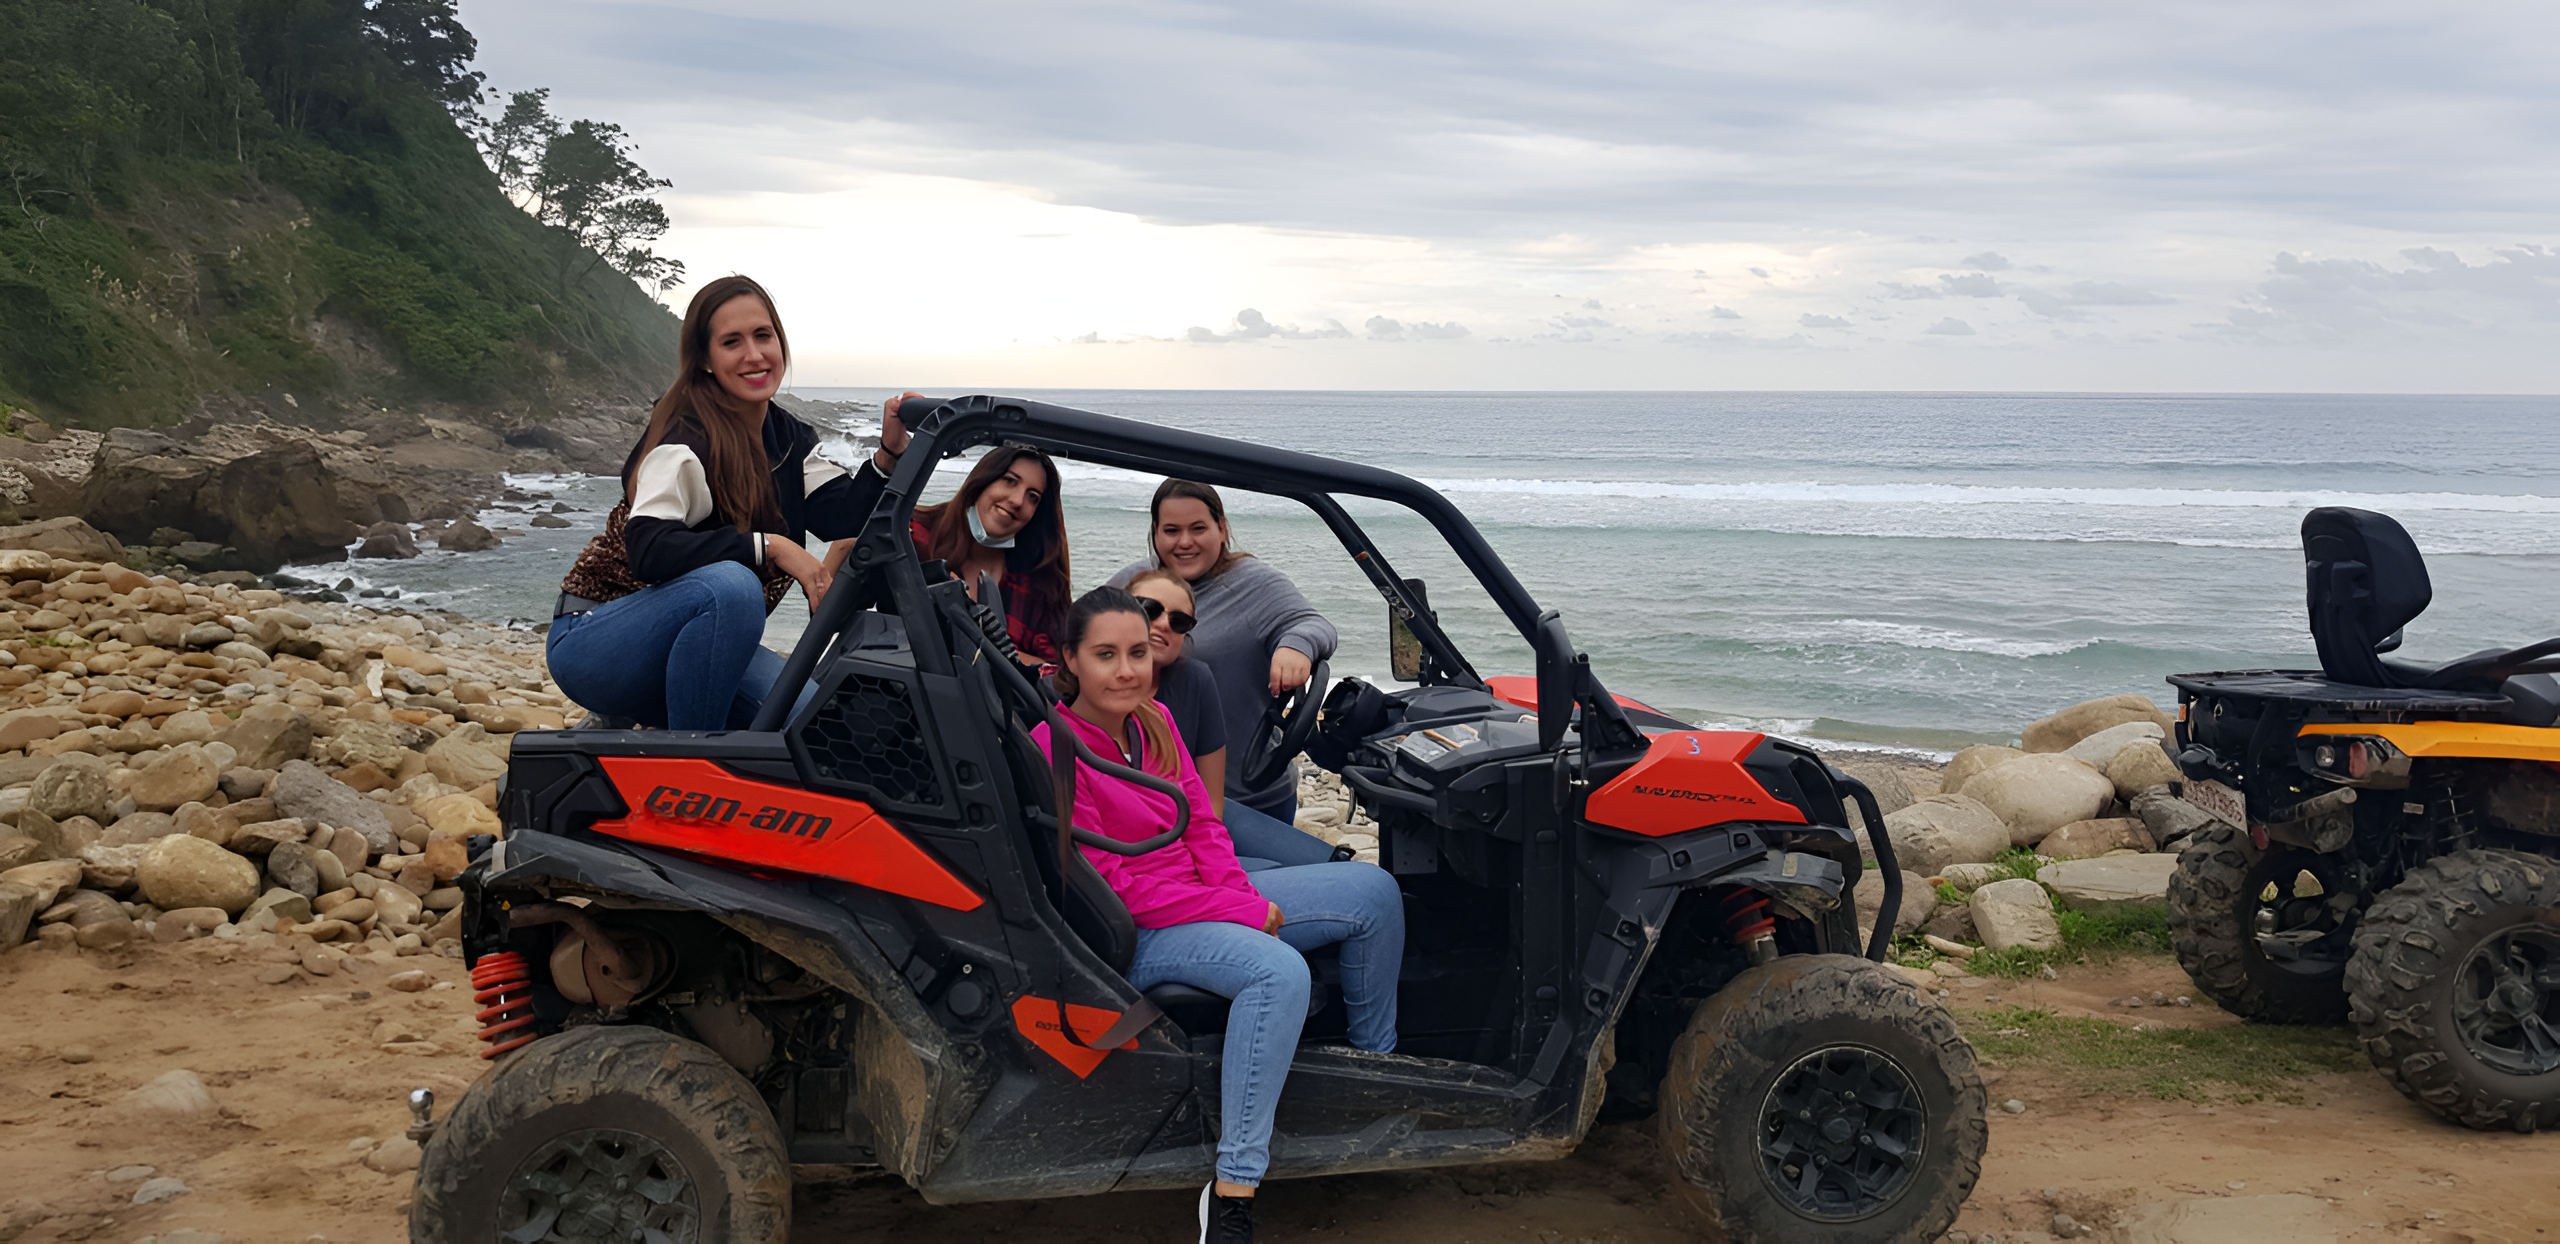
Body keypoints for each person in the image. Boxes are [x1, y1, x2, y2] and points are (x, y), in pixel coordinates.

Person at [1033, 587, 1400, 1244]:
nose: (1126, 670)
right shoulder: (1057, 748)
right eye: (1106, 655)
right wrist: (1240, 910)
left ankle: (1373, 1076)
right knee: (1278, 973)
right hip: (1138, 932)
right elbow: (1112, 888)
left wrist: (1239, 901)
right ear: (1071, 659)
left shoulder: (1152, 721)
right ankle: (1234, 1187)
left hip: (1197, 900)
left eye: (1138, 653)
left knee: (1374, 892)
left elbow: (1203, 825)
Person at [547, 275, 912, 729]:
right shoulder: (683, 439)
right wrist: (771, 546)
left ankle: (651, 730)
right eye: (732, 342)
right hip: (596, 642)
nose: (754, 355)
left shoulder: (788, 438)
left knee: (819, 728)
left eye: (763, 335)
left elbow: (843, 514)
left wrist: (888, 454)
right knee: (732, 586)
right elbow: (649, 550)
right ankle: (691, 760)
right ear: (705, 360)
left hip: (699, 644)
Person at [1109, 480, 1338, 823]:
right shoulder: (1133, 584)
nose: (1184, 542)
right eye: (1171, 530)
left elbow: (1314, 624)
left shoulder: (1254, 583)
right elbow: (1083, 637)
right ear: (1155, 533)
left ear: (1222, 529)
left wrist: (1296, 646)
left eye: (1198, 528)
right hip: (1154, 795)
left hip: (1250, 795)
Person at [1126, 568, 1336, 872]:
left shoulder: (1194, 681)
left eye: (1179, 621)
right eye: (1148, 609)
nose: (1161, 624)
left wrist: (1297, 645)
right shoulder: (1086, 695)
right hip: (1141, 851)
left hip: (1197, 820)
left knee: (1334, 868)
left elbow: (1210, 806)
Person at [825, 443, 1068, 665]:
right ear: (982, 481)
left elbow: (1058, 674)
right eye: (1009, 481)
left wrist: (989, 648)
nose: (1017, 500)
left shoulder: (1039, 584)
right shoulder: (910, 537)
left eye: (1033, 497)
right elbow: (832, 616)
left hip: (990, 701)